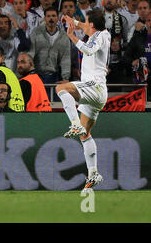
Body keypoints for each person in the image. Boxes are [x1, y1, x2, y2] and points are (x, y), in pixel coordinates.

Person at [59, 10, 111, 192]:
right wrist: (70, 20)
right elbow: (83, 26)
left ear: (93, 25)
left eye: (86, 22)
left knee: (61, 88)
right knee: (85, 135)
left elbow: (88, 49)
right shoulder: (99, 33)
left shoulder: (101, 36)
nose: (83, 25)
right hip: (98, 93)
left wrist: (72, 35)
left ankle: (74, 123)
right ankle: (93, 174)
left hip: (93, 87)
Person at [28, 7, 71, 85]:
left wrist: (66, 78)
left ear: (58, 18)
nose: (51, 18)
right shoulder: (36, 33)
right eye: (48, 16)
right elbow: (30, 54)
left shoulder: (64, 36)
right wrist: (29, 73)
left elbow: (66, 59)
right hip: (37, 75)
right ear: (45, 18)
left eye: (53, 16)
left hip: (54, 76)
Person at [0, 45, 25, 112]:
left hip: (5, 113)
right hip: (18, 111)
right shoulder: (10, 72)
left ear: (2, 58)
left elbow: (0, 96)